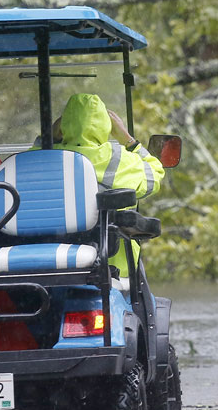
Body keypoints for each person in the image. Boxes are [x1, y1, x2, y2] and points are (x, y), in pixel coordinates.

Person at [56, 93, 165, 280]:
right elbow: (155, 176)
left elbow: (31, 155)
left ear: (63, 124)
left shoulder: (46, 157)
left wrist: (48, 136)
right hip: (115, 271)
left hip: (56, 266)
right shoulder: (121, 158)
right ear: (105, 125)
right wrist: (130, 142)